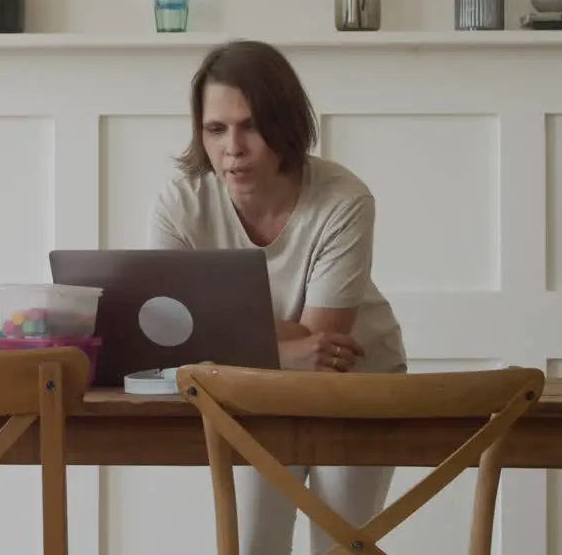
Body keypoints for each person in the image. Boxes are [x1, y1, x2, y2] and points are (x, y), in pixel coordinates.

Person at [147, 40, 406, 555]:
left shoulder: (343, 199)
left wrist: (218, 335)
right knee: (252, 546)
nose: (232, 147)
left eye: (252, 126)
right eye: (215, 129)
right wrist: (282, 350)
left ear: (285, 125)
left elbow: (322, 338)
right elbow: (167, 333)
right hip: (247, 389)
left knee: (341, 546)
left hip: (353, 383)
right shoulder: (180, 203)